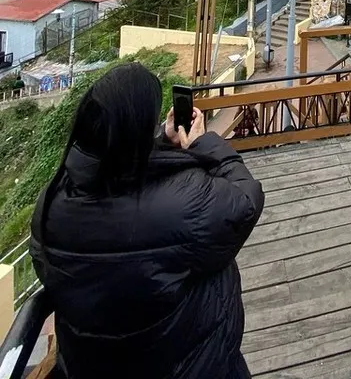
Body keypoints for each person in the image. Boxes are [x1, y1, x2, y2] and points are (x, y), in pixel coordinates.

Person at [29, 63, 265, 379]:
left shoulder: (52, 201)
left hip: (93, 362)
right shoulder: (182, 202)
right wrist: (202, 144)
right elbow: (245, 200)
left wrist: (158, 142)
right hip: (189, 360)